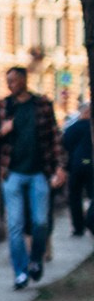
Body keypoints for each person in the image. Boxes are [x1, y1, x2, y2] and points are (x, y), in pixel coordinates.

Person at [0, 65, 65, 288]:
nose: (10, 84)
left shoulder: (42, 105)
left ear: (24, 80)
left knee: (40, 223)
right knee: (15, 226)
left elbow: (55, 137)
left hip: (39, 172)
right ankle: (20, 272)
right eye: (8, 81)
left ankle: (36, 260)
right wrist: (3, 131)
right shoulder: (3, 106)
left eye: (14, 80)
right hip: (11, 174)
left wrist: (60, 167)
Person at [63, 95, 93, 238]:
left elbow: (65, 144)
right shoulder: (90, 128)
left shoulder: (73, 128)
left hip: (75, 166)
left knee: (75, 197)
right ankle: (90, 221)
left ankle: (78, 227)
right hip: (91, 165)